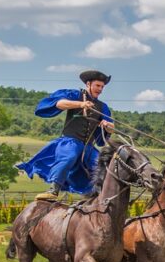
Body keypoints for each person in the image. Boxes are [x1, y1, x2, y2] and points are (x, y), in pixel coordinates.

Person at [17, 70, 115, 200]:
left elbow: (111, 127)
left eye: (102, 87)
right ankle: (53, 190)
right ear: (88, 84)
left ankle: (102, 196)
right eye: (98, 86)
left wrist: (108, 126)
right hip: (71, 141)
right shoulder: (74, 95)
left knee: (105, 165)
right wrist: (80, 104)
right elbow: (59, 103)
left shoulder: (102, 107)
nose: (100, 89)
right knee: (69, 156)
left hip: (89, 147)